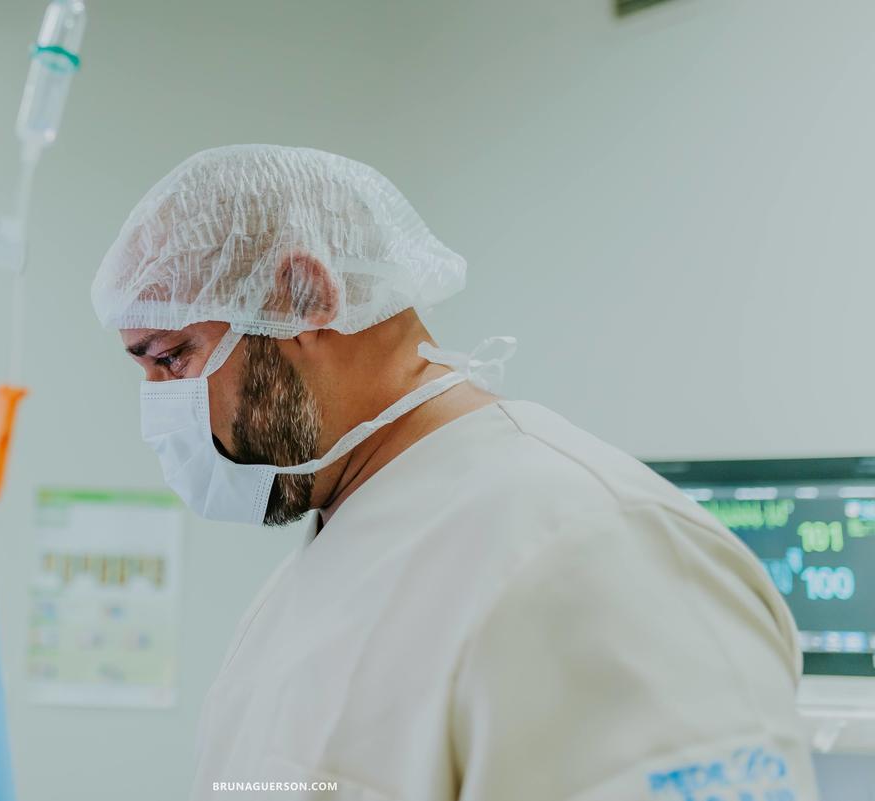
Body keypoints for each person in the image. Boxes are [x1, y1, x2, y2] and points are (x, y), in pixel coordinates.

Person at [90, 144, 818, 800]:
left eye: (170, 357)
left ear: (301, 299)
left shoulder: (590, 546)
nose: (163, 410)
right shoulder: (323, 564)